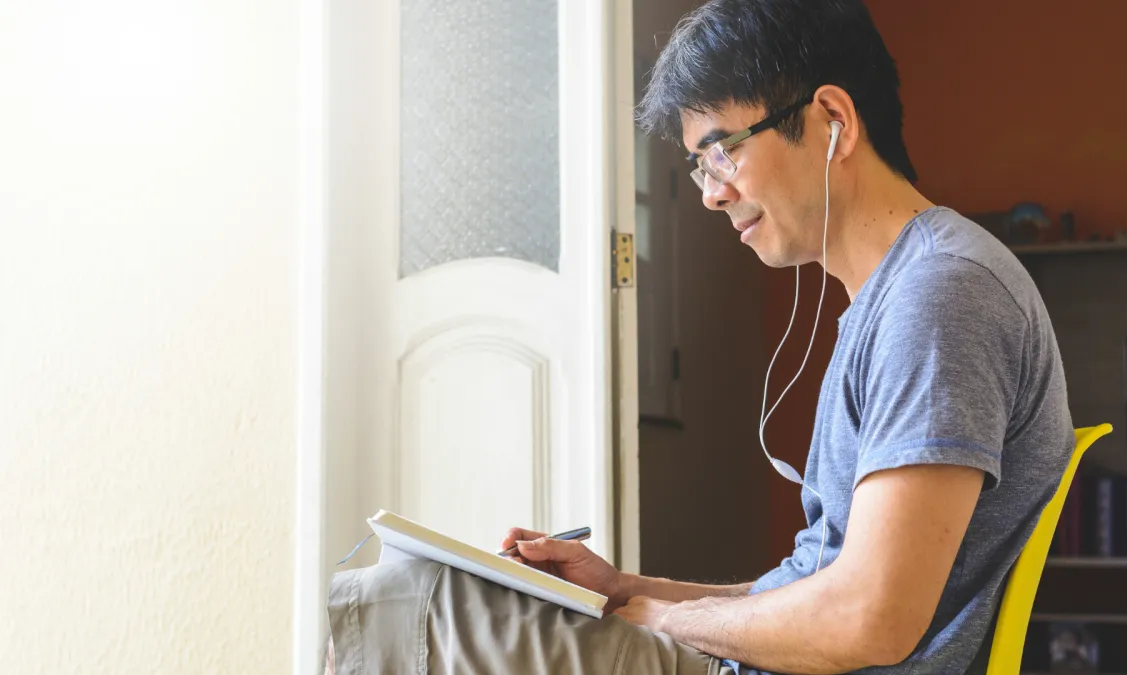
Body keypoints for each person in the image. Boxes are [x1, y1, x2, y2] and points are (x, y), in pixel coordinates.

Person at [325, 1, 1073, 673]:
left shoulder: (940, 293)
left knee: (403, 597)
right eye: (697, 166)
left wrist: (664, 618)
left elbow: (868, 619)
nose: (712, 192)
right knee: (420, 587)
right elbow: (821, 587)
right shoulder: (904, 294)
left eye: (723, 150)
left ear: (833, 121)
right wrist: (627, 589)